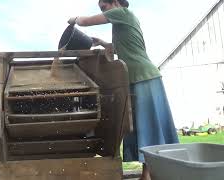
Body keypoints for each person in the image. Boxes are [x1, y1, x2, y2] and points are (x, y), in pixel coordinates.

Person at [68, 0, 179, 179]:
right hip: (137, 77)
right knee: (139, 126)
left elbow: (86, 21)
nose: (103, 11)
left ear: (114, 2)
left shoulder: (123, 13)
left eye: (104, 7)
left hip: (144, 76)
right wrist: (104, 43)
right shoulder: (122, 22)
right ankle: (148, 174)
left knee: (148, 125)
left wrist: (73, 19)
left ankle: (148, 175)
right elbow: (122, 50)